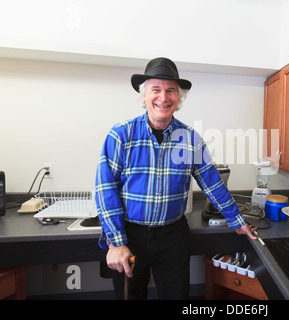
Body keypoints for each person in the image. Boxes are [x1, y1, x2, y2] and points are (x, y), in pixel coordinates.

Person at [95, 57, 256, 300]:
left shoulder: (190, 138)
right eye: (155, 89)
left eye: (171, 90)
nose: (163, 96)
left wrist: (237, 219)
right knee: (130, 297)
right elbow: (105, 189)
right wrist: (116, 243)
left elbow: (211, 182)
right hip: (130, 235)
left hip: (173, 237)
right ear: (144, 96)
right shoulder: (121, 134)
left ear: (179, 98)